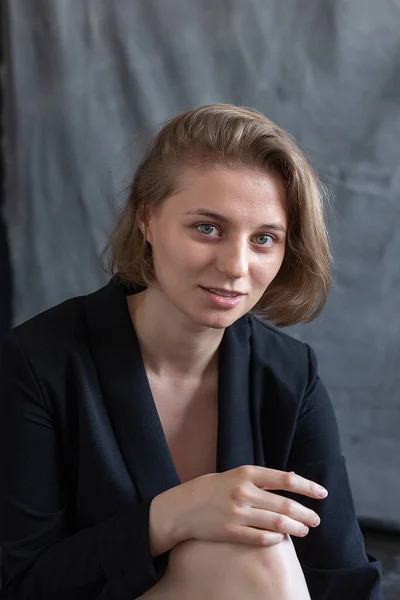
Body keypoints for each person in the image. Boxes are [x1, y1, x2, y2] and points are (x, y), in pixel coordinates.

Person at [0, 104, 383, 599]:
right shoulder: (38, 361)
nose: (235, 266)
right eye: (208, 228)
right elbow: (24, 586)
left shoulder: (290, 374)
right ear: (147, 219)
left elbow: (342, 578)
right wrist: (174, 514)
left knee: (260, 546)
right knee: (257, 546)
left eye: (264, 239)